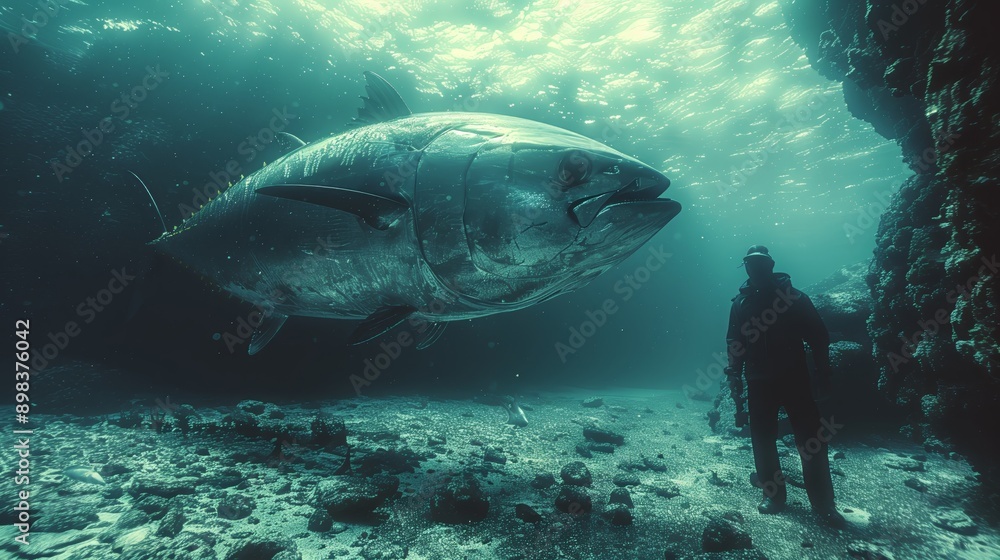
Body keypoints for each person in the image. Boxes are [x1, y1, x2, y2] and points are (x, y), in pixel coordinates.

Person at [724, 245, 846, 527]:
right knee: (762, 440)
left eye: (760, 263)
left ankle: (823, 502)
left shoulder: (794, 298)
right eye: (751, 264)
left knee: (810, 440)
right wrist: (734, 375)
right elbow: (734, 342)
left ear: (771, 265)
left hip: (795, 379)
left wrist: (823, 372)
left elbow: (818, 336)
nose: (756, 268)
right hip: (758, 382)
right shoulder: (740, 304)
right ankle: (774, 496)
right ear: (746, 267)